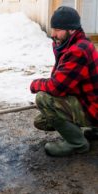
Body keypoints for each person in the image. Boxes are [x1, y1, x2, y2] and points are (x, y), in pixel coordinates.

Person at [30, 6, 98, 157]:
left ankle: (77, 143)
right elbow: (65, 81)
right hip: (89, 102)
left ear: (72, 30)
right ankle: (92, 131)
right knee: (42, 120)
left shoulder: (77, 50)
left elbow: (57, 87)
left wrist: (35, 84)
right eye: (53, 28)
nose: (53, 34)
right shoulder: (71, 44)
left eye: (58, 29)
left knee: (43, 98)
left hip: (93, 109)